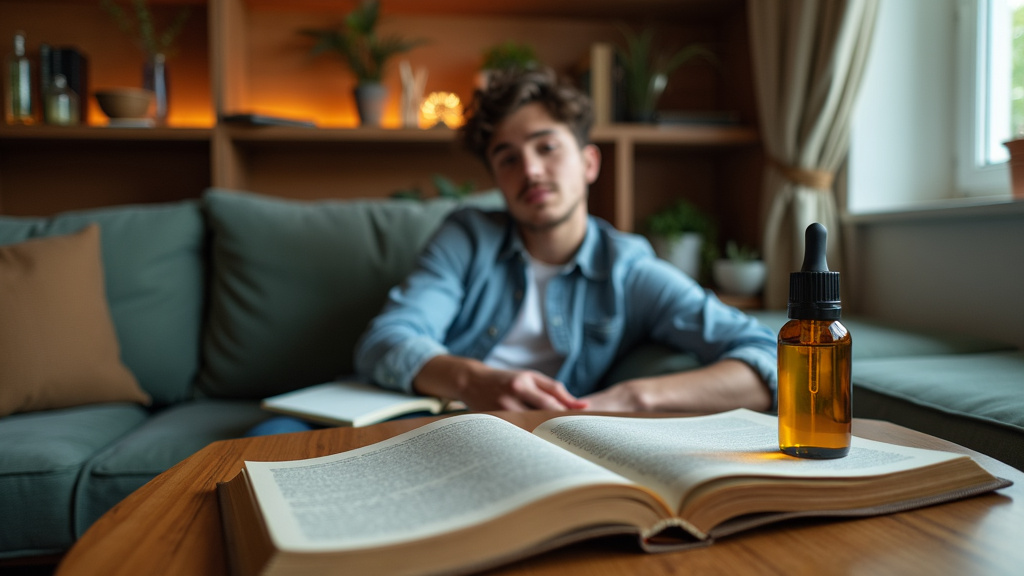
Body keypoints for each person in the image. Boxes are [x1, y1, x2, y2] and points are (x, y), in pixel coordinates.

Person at [353, 67, 776, 414]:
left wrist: (634, 398)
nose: (531, 170)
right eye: (508, 158)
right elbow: (385, 340)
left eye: (547, 147)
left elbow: (770, 357)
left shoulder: (627, 271)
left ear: (589, 163)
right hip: (441, 426)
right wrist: (472, 382)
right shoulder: (466, 236)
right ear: (497, 179)